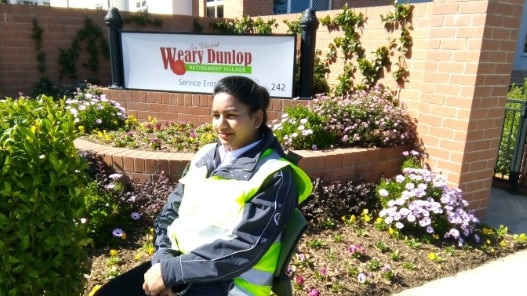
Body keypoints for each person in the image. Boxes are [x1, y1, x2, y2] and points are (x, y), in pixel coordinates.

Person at [94, 75, 313, 296]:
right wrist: (163, 264)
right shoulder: (205, 156)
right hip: (182, 268)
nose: (221, 124)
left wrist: (173, 272)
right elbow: (168, 215)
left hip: (232, 284)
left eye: (231, 115)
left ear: (257, 119)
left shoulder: (274, 175)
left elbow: (246, 247)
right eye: (216, 115)